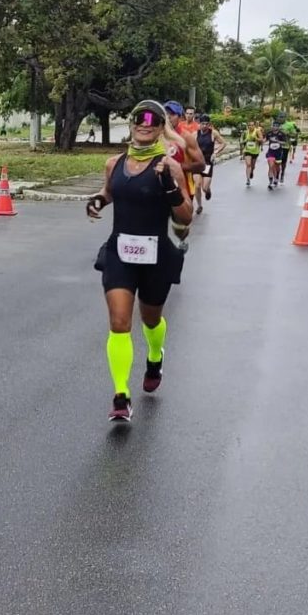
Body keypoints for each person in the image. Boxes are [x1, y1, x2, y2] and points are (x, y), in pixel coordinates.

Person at [87, 100, 192, 423]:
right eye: (138, 118)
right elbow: (110, 191)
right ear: (131, 124)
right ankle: (121, 395)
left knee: (150, 320)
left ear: (162, 128)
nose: (144, 124)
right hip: (121, 251)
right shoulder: (113, 162)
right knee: (120, 322)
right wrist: (98, 201)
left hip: (155, 254)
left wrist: (170, 188)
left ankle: (155, 356)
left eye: (153, 120)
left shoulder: (169, 166)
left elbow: (185, 216)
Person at [163, 101, 205, 250]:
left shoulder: (186, 137)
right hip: (158, 184)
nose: (168, 117)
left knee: (180, 225)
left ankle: (182, 239)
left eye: (172, 114)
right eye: (165, 113)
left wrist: (177, 167)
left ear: (179, 117)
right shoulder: (155, 133)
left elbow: (201, 164)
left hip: (181, 185)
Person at [194, 114, 226, 213]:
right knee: (197, 185)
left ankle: (208, 190)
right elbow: (189, 146)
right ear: (199, 124)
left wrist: (215, 152)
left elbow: (223, 143)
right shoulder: (195, 134)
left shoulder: (213, 133)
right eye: (202, 124)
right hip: (198, 163)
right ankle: (199, 205)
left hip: (207, 163)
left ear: (209, 124)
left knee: (204, 188)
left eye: (206, 124)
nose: (204, 126)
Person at [265, 121, 289, 189]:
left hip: (278, 152)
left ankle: (276, 178)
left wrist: (278, 141)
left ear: (278, 127)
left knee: (277, 167)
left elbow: (285, 142)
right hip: (271, 152)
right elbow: (265, 140)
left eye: (276, 126)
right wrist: (260, 141)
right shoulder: (269, 133)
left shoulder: (281, 134)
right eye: (274, 126)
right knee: (271, 166)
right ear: (272, 126)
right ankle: (270, 182)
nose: (275, 127)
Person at [241, 120, 263, 187]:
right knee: (248, 164)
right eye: (249, 125)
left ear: (254, 126)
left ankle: (251, 171)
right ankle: (248, 179)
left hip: (255, 151)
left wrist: (256, 138)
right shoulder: (245, 132)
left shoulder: (257, 131)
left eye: (252, 125)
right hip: (247, 150)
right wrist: (245, 141)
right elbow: (241, 141)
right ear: (248, 126)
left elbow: (261, 139)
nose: (251, 126)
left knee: (252, 166)